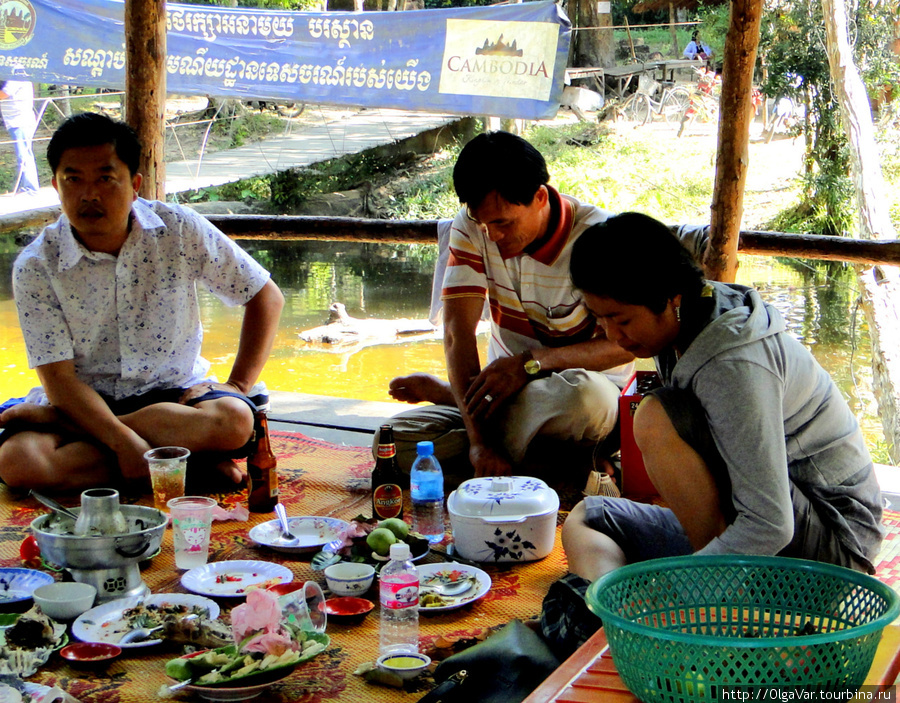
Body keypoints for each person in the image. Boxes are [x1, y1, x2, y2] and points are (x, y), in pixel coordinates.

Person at [562, 212, 883, 584]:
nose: (612, 335)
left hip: (834, 551)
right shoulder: (692, 313)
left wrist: (687, 589)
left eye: (622, 320)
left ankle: (712, 604)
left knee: (653, 416)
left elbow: (771, 524)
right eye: (600, 319)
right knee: (588, 518)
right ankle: (604, 614)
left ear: (671, 298)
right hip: (765, 523)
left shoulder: (732, 364)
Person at [0, 112, 285, 494]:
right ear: (55, 184)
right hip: (83, 402)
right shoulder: (36, 266)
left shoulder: (178, 228)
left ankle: (73, 432)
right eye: (73, 179)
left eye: (105, 178)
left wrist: (237, 383)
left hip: (176, 395)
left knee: (233, 420)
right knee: (19, 464)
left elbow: (265, 295)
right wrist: (122, 440)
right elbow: (60, 382)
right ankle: (184, 466)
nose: (89, 194)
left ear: (134, 184)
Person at [378, 131, 634, 480]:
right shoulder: (471, 226)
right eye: (483, 224)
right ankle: (563, 467)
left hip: (581, 397)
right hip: (497, 395)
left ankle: (457, 400)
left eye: (503, 223)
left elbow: (624, 345)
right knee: (394, 445)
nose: (492, 236)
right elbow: (457, 333)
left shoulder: (596, 237)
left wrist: (529, 364)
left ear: (540, 197)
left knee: (587, 402)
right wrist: (479, 444)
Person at [0, 78, 40, 193]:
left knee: (24, 154)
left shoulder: (17, 78)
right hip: (14, 121)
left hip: (20, 121)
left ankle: (30, 189)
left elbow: (4, 94)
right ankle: (24, 187)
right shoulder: (14, 76)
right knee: (22, 154)